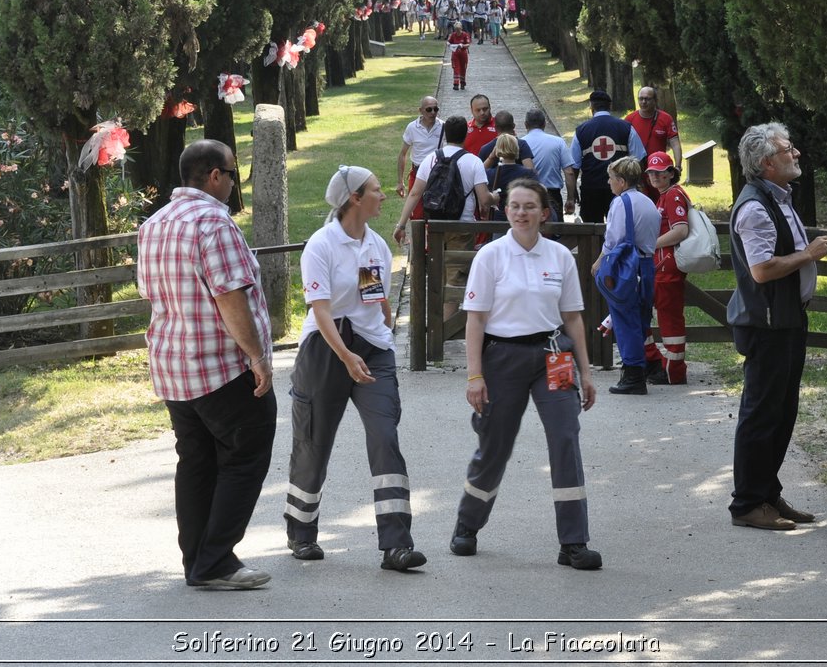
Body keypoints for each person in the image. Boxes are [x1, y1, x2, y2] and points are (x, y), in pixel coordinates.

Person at [137, 139, 276, 590]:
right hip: (220, 367)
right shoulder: (214, 223)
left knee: (195, 461)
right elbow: (229, 295)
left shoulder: (154, 224)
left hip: (173, 367)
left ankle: (197, 560)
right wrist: (257, 357)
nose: (235, 184)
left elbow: (149, 293)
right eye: (233, 174)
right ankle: (215, 562)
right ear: (214, 175)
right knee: (246, 452)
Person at [449, 178, 602, 571]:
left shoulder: (560, 257)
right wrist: (474, 376)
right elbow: (476, 320)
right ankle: (468, 524)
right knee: (495, 443)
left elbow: (572, 318)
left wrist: (586, 372)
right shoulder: (491, 256)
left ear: (544, 212)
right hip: (503, 357)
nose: (521, 212)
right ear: (506, 211)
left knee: (566, 436)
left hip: (554, 355)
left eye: (529, 206)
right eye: (514, 205)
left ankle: (573, 542)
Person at [283, 166, 427, 572]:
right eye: (377, 190)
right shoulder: (321, 246)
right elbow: (322, 312)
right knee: (314, 444)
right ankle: (301, 532)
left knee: (385, 437)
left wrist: (383, 323)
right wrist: (346, 356)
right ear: (354, 199)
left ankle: (396, 545)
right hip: (327, 349)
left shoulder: (374, 245)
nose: (384, 195)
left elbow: (372, 291)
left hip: (372, 350)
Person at [724, 123, 827, 531]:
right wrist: (808, 254)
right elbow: (762, 270)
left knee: (782, 412)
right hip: (767, 325)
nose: (797, 153)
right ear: (768, 162)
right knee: (761, 414)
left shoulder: (778, 198)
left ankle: (767, 494)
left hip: (785, 320)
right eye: (789, 148)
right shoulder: (755, 207)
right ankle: (747, 504)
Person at [394, 115, 493, 319]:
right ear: (465, 134)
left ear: (445, 134)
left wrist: (401, 224)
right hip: (462, 227)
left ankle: (436, 324)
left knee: (438, 275)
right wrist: (495, 197)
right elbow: (484, 200)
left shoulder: (431, 158)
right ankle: (445, 330)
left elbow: (415, 194)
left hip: (436, 225)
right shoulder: (473, 161)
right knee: (455, 279)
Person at [601, 155, 662, 395]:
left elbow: (613, 240)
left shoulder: (620, 203)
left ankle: (633, 374)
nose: (609, 183)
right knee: (639, 319)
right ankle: (641, 368)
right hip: (646, 264)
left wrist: (599, 263)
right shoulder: (648, 202)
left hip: (627, 266)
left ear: (622, 181)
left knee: (625, 320)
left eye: (612, 178)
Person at [646, 151, 692, 385]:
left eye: (660, 171)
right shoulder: (664, 195)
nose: (654, 176)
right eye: (651, 172)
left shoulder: (673, 195)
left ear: (670, 173)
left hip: (668, 268)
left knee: (669, 319)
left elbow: (681, 230)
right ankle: (657, 363)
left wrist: (651, 244)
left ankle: (674, 371)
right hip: (661, 267)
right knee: (647, 313)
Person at [565, 89, 643, 223]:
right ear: (610, 106)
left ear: (591, 107)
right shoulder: (626, 127)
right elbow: (639, 159)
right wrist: (637, 186)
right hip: (621, 189)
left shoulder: (581, 130)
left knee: (591, 231)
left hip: (591, 189)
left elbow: (574, 166)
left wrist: (572, 193)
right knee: (620, 228)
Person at [520, 108, 571, 222]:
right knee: (555, 234)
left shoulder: (520, 143)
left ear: (525, 124)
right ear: (544, 124)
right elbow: (569, 172)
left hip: (528, 194)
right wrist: (571, 198)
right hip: (553, 195)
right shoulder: (558, 142)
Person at [396, 96, 443, 208]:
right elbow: (403, 154)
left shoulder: (443, 126)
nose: (432, 112)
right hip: (417, 173)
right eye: (428, 109)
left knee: (437, 210)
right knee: (416, 211)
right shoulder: (412, 127)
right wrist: (400, 182)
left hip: (437, 174)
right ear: (421, 110)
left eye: (435, 109)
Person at [485, 134, 536, 220]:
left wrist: (491, 157)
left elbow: (478, 174)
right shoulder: (528, 173)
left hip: (498, 217)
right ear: (517, 149)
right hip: (521, 216)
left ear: (496, 150)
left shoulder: (490, 173)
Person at [625, 87, 682, 162]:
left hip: (658, 168)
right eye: (640, 99)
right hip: (636, 168)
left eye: (647, 99)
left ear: (655, 101)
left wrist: (678, 165)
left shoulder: (666, 118)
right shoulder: (629, 119)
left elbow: (675, 144)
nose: (643, 102)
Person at [446, 22, 471, 91]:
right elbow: (448, 42)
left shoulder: (465, 35)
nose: (458, 31)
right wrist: (448, 44)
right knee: (456, 68)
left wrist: (462, 45)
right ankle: (456, 84)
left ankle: (462, 82)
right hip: (455, 54)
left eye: (459, 29)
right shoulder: (453, 35)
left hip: (463, 53)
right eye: (456, 29)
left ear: (461, 28)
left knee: (463, 68)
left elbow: (468, 44)